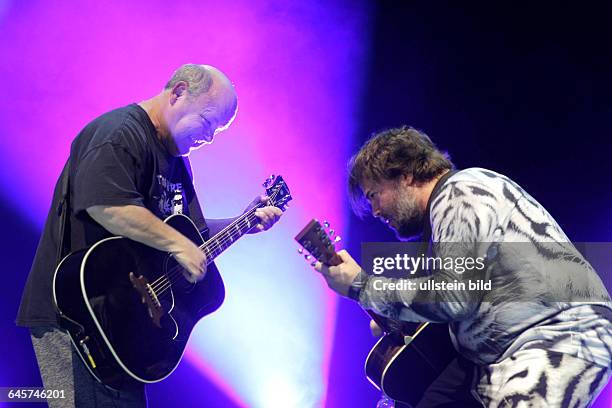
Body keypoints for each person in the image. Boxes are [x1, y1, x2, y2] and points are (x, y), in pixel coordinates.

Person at [16, 64, 283, 407]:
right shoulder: (119, 133)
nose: (210, 137)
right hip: (75, 315)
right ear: (178, 92)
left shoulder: (175, 161)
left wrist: (243, 221)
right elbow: (107, 206)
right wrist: (179, 245)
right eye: (207, 121)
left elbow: (189, 234)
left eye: (219, 130)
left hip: (123, 324)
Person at [315, 126, 612, 407]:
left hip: (555, 339)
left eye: (373, 194)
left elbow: (453, 297)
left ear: (404, 174)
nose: (375, 211)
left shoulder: (460, 193)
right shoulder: (442, 219)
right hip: (503, 357)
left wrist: (363, 286)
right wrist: (395, 316)